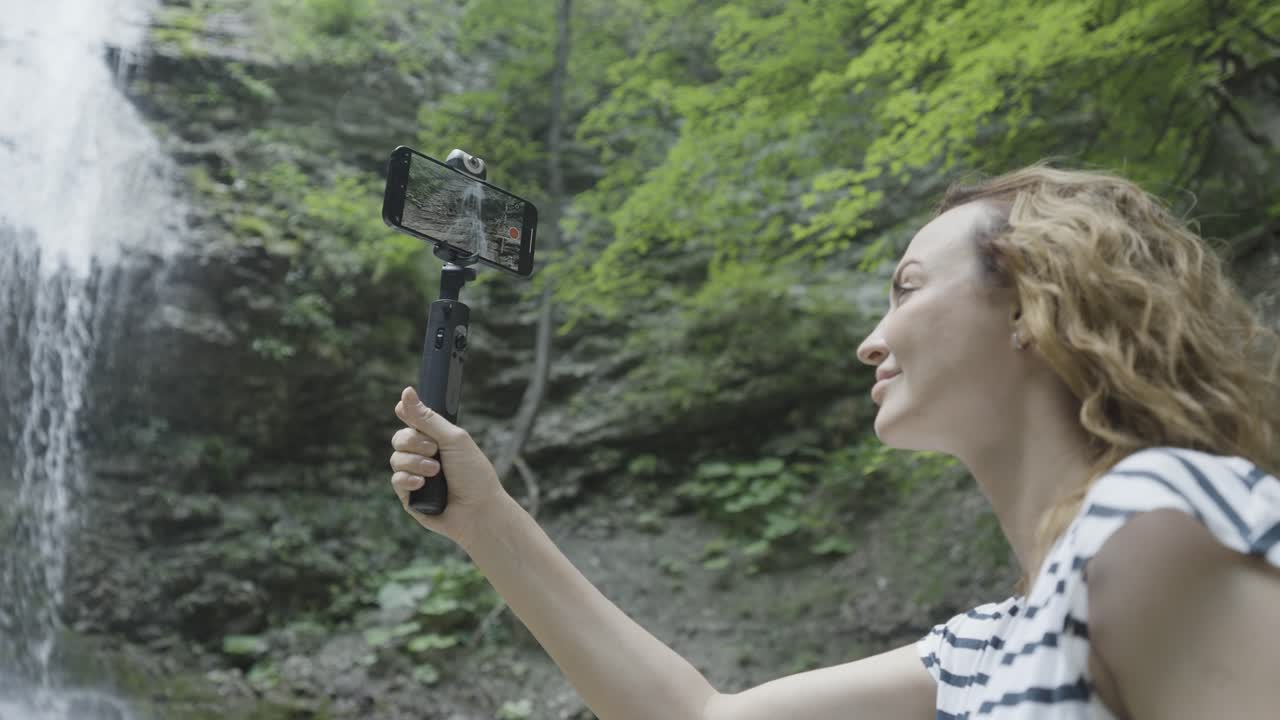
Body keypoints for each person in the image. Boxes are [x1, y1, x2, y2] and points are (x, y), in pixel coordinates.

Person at [388, 161, 1280, 719]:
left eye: (907, 287)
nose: (870, 340)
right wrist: (483, 517)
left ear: (1031, 305)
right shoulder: (989, 649)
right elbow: (700, 717)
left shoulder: (1155, 524)